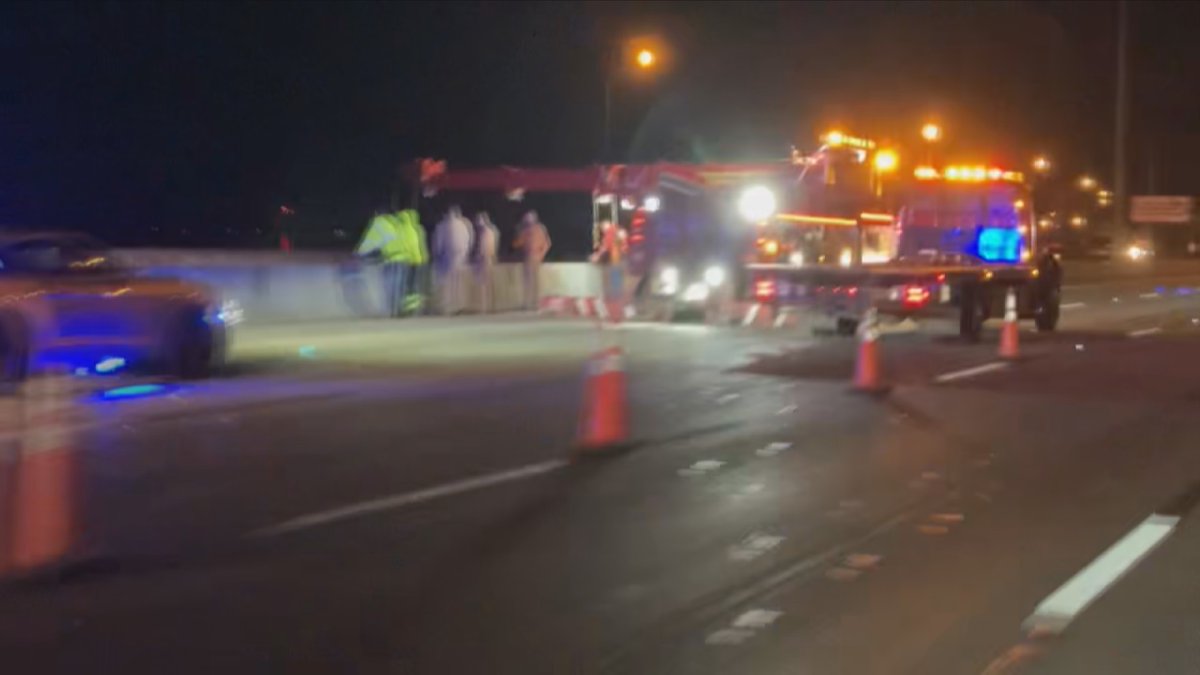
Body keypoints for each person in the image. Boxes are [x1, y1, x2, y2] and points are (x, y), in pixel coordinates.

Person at [432, 205, 474, 314]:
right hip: (461, 257)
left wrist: (437, 254)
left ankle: (447, 306)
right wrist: (466, 254)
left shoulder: (442, 225)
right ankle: (459, 305)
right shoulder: (464, 225)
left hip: (446, 257)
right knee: (458, 282)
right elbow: (469, 241)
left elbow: (438, 242)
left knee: (446, 282)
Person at [514, 210, 551, 310]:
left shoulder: (540, 229)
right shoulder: (525, 231)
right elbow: (518, 243)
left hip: (535, 257)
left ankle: (535, 303)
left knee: (535, 282)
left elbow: (547, 244)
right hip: (528, 257)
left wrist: (541, 255)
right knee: (528, 281)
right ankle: (527, 303)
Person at [590, 219, 628, 300]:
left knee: (614, 276)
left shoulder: (610, 231)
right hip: (624, 256)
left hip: (617, 257)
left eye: (602, 229)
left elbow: (605, 247)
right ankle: (618, 296)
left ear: (605, 226)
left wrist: (596, 256)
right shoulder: (619, 229)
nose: (602, 231)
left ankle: (614, 297)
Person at [473, 211, 500, 313]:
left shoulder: (485, 232)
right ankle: (488, 306)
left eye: (479, 220)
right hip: (489, 260)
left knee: (484, 285)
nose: (477, 222)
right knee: (487, 285)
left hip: (484, 260)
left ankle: (484, 307)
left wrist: (478, 257)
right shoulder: (490, 231)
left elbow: (483, 249)